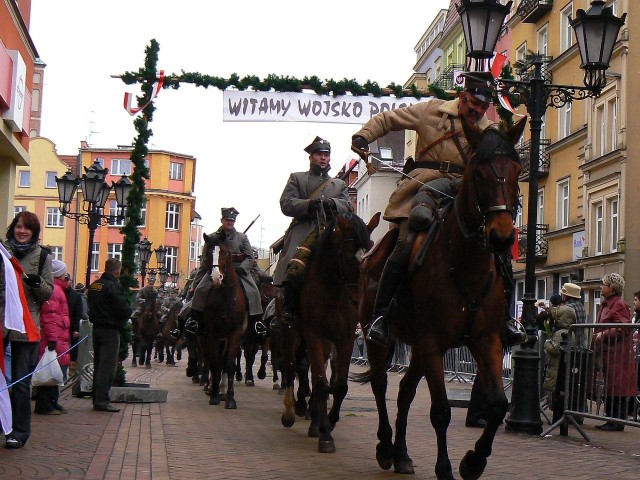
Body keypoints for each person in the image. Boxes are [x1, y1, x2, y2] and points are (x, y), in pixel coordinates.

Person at [351, 72, 526, 348]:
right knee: (405, 241)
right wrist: (363, 136)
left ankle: (505, 320)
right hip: (424, 186)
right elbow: (388, 119)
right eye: (473, 104)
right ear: (462, 96)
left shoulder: (488, 131)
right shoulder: (431, 111)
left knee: (499, 252)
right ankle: (381, 316)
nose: (477, 111)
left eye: (482, 107)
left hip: (466, 192)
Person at [273, 136, 353, 325]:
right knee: (294, 259)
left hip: (329, 228)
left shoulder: (339, 184)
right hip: (303, 227)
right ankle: (289, 307)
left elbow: (348, 207)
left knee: (350, 259)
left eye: (326, 155)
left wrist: (332, 202)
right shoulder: (297, 178)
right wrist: (309, 204)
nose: (323, 158)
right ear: (311, 157)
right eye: (319, 154)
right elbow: (286, 203)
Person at [2, 212, 53, 448]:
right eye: (18, 227)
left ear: (34, 232)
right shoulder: (3, 252)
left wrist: (37, 284)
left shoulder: (42, 257)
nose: (22, 231)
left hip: (26, 326)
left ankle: (19, 432)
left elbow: (48, 294)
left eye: (27, 228)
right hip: (1, 324)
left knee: (21, 383)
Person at [186, 208, 266, 336]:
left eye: (232, 220)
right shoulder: (211, 237)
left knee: (253, 291)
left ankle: (256, 322)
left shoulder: (242, 237)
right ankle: (195, 320)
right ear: (222, 220)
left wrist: (243, 268)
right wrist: (195, 283)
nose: (229, 222)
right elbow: (205, 259)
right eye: (227, 220)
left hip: (238, 270)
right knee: (200, 290)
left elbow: (250, 257)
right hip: (216, 269)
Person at [592, 273, 637, 431]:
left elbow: (623, 327)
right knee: (611, 386)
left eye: (603, 284)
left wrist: (604, 334)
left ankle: (616, 421)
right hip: (609, 353)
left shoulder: (618, 304)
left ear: (611, 288)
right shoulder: (608, 304)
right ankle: (611, 419)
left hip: (617, 354)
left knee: (616, 386)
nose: (601, 287)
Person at [87, 258, 132, 412]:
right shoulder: (113, 286)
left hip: (97, 328)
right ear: (117, 271)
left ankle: (97, 399)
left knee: (99, 365)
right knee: (107, 367)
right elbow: (124, 309)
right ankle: (102, 401)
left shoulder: (95, 285)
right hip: (110, 330)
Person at [35, 260, 71, 415]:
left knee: (55, 371)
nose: (66, 276)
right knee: (49, 372)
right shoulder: (55, 291)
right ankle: (45, 405)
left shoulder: (57, 289)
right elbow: (49, 316)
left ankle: (53, 401)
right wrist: (52, 339)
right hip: (54, 336)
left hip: (59, 335)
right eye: (64, 274)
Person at [64, 274, 84, 379]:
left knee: (73, 351)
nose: (66, 282)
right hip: (62, 326)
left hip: (72, 326)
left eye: (67, 280)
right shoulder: (59, 292)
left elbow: (78, 313)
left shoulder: (75, 296)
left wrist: (76, 329)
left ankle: (71, 373)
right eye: (64, 280)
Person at [560, 282, 587, 347]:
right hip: (581, 342)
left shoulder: (567, 308)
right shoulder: (581, 306)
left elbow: (561, 325)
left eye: (563, 294)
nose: (562, 295)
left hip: (570, 343)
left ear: (566, 296)